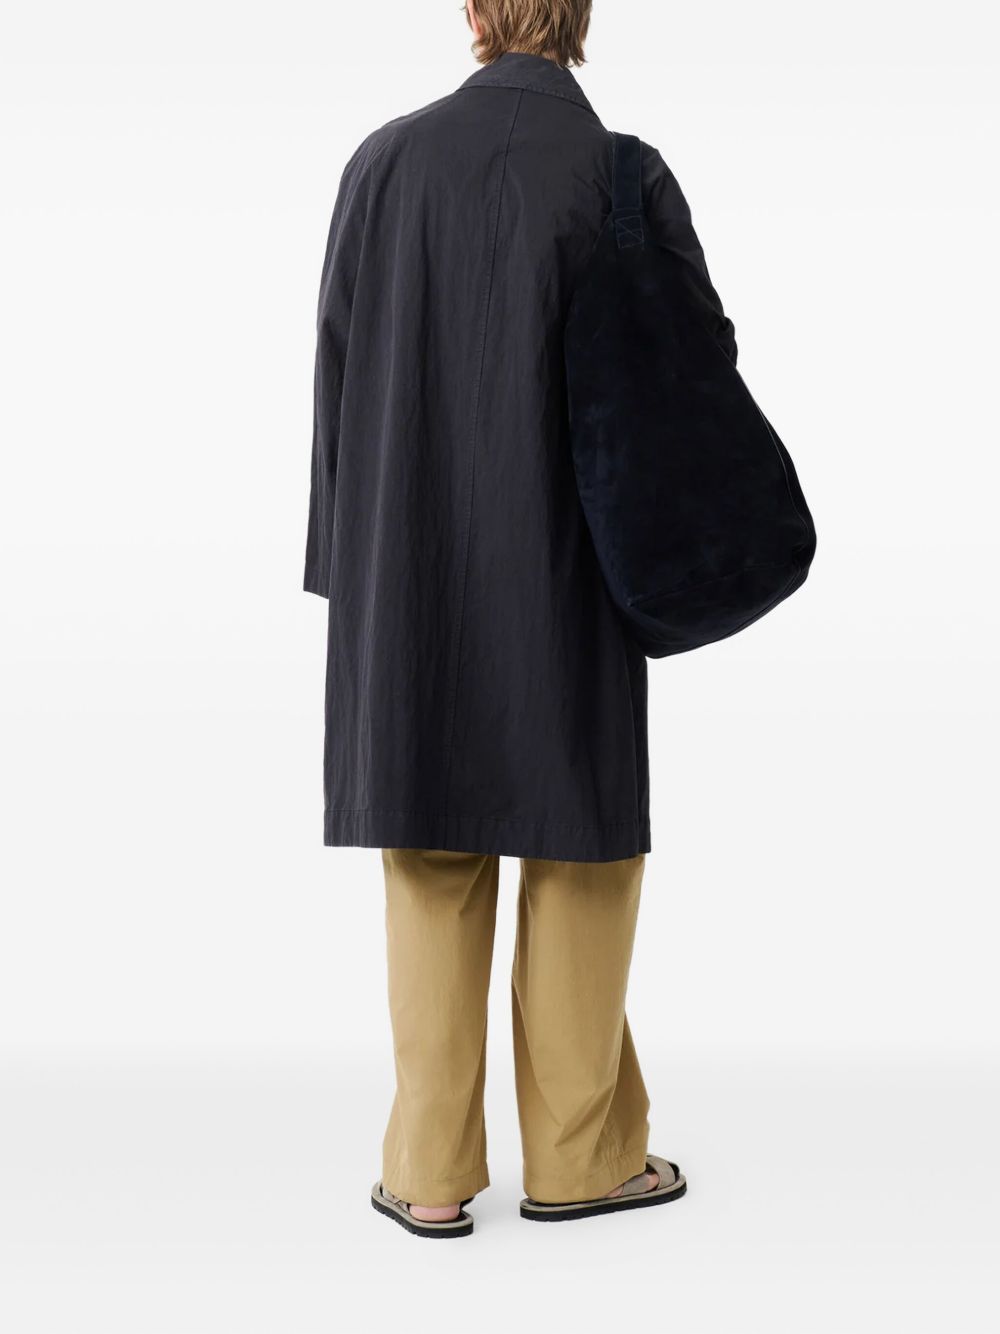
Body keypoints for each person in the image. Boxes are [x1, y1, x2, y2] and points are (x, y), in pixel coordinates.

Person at [304, 0, 735, 1238]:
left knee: (430, 847)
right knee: (580, 849)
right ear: (580, 18)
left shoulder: (383, 162)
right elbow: (696, 366)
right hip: (570, 564)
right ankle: (581, 1158)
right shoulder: (620, 174)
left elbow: (336, 369)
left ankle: (428, 1169)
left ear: (474, 12)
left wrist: (346, 566)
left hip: (410, 566)